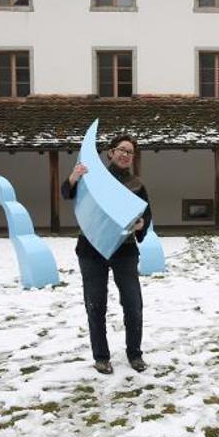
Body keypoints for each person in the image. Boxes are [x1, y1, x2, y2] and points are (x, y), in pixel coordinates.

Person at [60, 134, 152, 375]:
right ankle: (101, 357)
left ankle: (135, 354)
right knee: (95, 305)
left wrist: (142, 224)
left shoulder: (136, 184)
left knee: (133, 305)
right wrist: (74, 176)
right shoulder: (92, 177)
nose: (125, 155)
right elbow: (66, 192)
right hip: (91, 249)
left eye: (130, 152)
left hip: (125, 250)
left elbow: (146, 215)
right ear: (110, 152)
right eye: (121, 149)